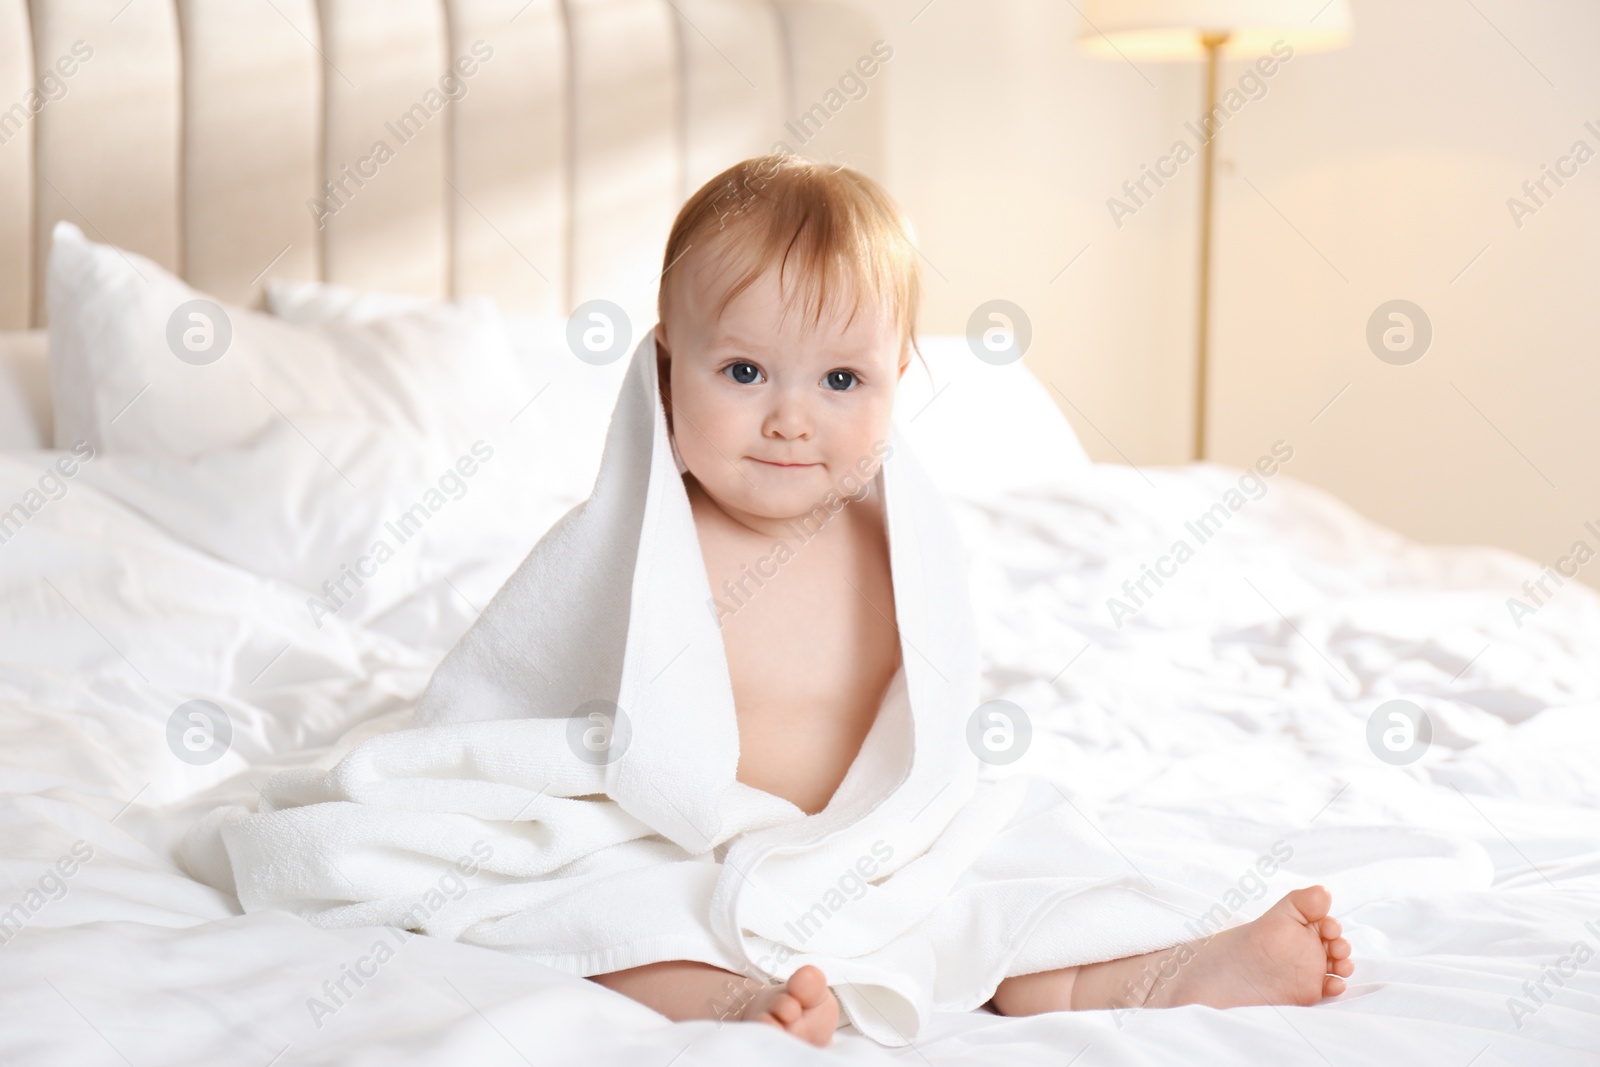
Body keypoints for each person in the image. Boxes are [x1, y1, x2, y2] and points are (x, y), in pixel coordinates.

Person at [586, 154, 1353, 1046]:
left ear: (898, 379)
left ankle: (1168, 970)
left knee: (1019, 887)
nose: (792, 419)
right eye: (745, 372)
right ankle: (735, 1001)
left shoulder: (898, 537)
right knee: (601, 909)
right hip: (691, 847)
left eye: (840, 381)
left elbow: (936, 712)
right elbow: (528, 705)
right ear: (668, 362)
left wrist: (918, 824)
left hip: (884, 845)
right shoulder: (635, 544)